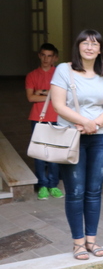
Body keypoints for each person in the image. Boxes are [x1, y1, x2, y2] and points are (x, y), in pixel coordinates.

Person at [50, 30, 103, 260]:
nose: (90, 47)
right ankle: (78, 243)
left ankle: (92, 240)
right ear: (78, 46)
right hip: (71, 137)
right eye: (85, 43)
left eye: (95, 44)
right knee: (75, 191)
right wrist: (85, 123)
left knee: (93, 192)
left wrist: (94, 124)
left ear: (100, 49)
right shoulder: (63, 70)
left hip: (100, 137)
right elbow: (59, 106)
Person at [25, 43, 63, 201]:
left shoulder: (59, 74)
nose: (46, 59)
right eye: (43, 55)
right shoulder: (32, 75)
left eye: (50, 55)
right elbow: (30, 97)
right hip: (38, 118)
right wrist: (51, 94)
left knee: (54, 153)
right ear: (39, 55)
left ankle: (53, 184)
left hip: (57, 117)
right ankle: (42, 184)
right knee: (40, 153)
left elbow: (64, 95)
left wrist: (41, 92)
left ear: (55, 57)